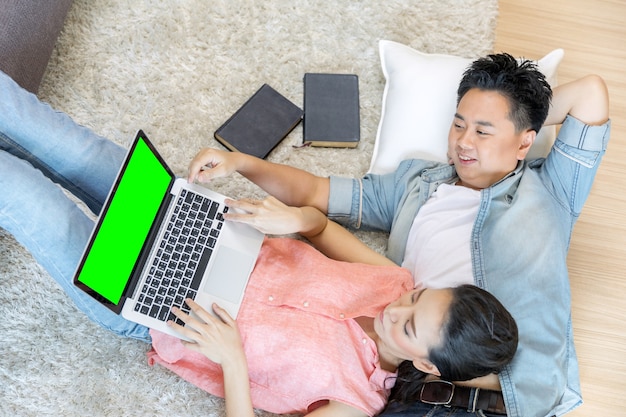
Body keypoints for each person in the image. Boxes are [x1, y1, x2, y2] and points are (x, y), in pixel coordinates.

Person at [0, 69, 518, 417]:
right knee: (53, 136)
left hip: (156, 308)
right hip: (200, 225)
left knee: (21, 192)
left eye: (408, 325)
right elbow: (321, 229)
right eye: (416, 299)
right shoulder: (395, 281)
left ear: (426, 365)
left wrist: (232, 360)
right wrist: (294, 220)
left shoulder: (353, 401)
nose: (396, 308)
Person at [187, 54, 611, 416]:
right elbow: (318, 193)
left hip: (511, 397)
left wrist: (521, 115)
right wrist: (242, 163)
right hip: (411, 374)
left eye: (483, 131)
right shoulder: (417, 183)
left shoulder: (550, 191)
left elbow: (591, 92)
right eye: (458, 124)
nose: (464, 142)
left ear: (525, 142)